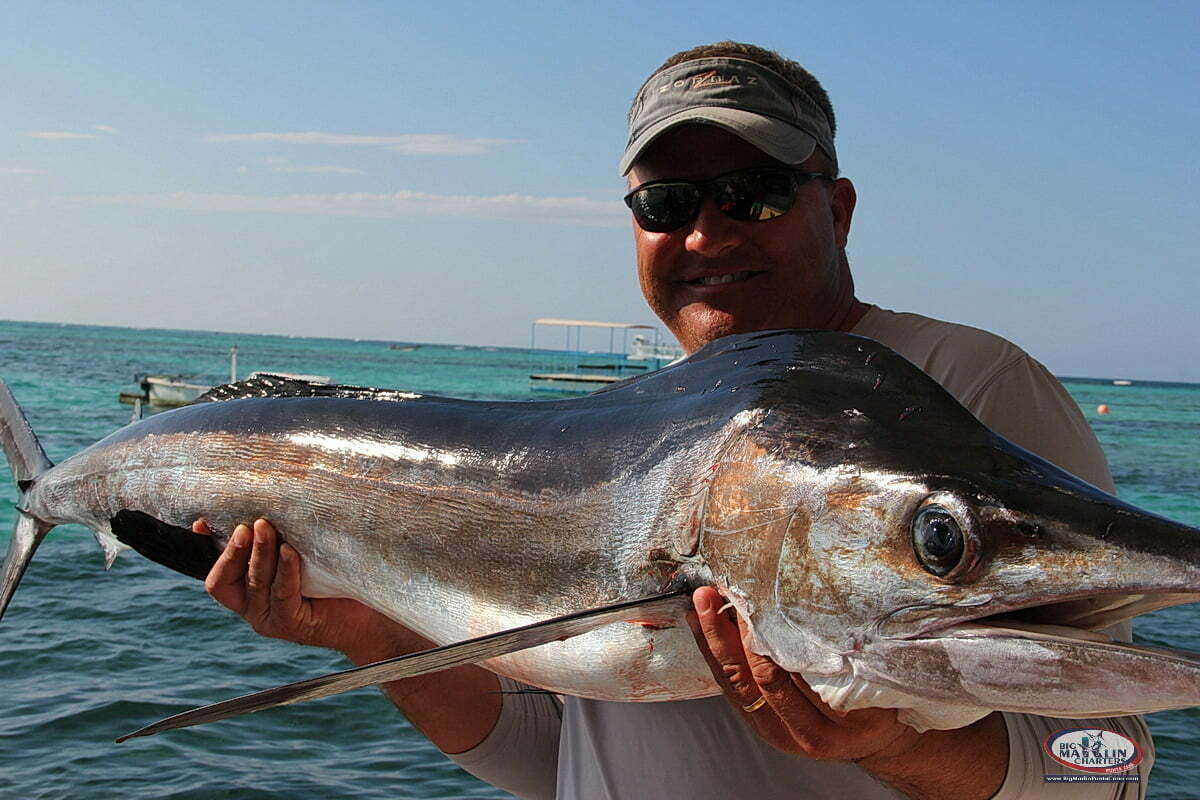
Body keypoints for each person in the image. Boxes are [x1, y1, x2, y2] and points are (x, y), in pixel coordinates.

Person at [198, 42, 1153, 799]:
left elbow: (1105, 771)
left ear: (839, 210)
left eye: (754, 193)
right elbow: (554, 758)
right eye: (666, 203)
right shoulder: (631, 424)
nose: (705, 233)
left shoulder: (971, 381)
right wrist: (370, 637)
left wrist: (894, 745)